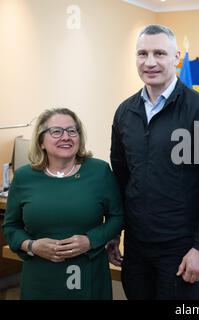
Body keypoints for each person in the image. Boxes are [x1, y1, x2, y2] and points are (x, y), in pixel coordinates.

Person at [109, 24, 199, 300]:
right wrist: (113, 230)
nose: (150, 62)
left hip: (181, 248)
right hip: (137, 246)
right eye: (142, 53)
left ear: (176, 57)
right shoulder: (125, 113)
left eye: (159, 53)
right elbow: (119, 177)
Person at [2, 108, 124, 299]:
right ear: (41, 141)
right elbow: (11, 227)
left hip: (88, 276)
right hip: (39, 279)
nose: (66, 137)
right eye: (56, 131)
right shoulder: (24, 177)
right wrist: (32, 246)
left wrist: (90, 240)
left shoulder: (99, 171)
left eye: (72, 131)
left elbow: (117, 217)